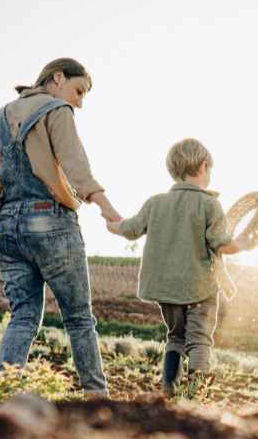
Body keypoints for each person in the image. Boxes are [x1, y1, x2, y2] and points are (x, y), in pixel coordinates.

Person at [0, 57, 120, 397]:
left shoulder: (1, 116)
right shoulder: (56, 110)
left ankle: (4, 394)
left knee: (23, 316)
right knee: (79, 319)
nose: (79, 102)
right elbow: (76, 167)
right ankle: (97, 398)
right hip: (49, 221)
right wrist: (108, 210)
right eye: (78, 90)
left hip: (7, 227)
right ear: (56, 78)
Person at [106, 138, 250, 395]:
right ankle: (196, 395)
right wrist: (244, 243)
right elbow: (221, 243)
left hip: (167, 290)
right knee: (199, 340)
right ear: (205, 166)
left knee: (175, 336)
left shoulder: (155, 203)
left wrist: (114, 225)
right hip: (200, 288)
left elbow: (130, 229)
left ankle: (168, 389)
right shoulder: (209, 204)